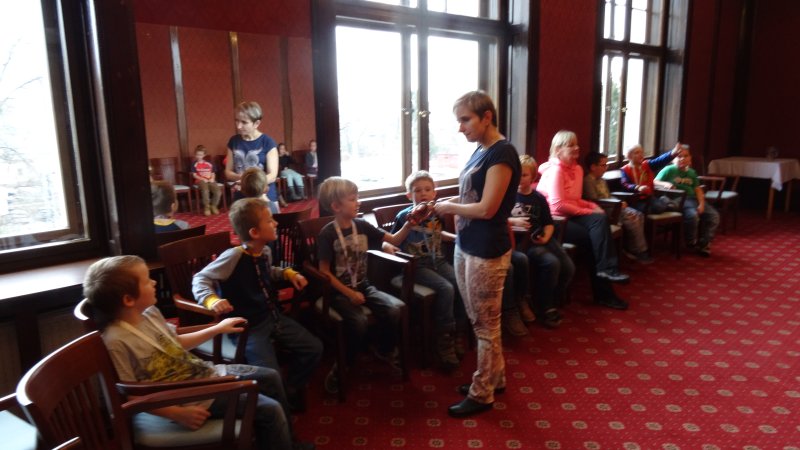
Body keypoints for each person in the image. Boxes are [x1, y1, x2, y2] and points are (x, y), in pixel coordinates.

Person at [83, 255, 315, 450]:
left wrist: (217, 328)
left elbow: (176, 343)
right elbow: (131, 396)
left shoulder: (150, 313)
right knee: (270, 410)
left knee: (271, 377)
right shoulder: (116, 340)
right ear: (128, 299)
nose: (154, 282)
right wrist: (176, 413)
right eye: (146, 280)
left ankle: (286, 442)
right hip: (189, 398)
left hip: (204, 375)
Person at [432, 91, 520, 418]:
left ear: (487, 117)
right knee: (480, 321)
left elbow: (487, 208)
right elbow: (472, 195)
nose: (460, 128)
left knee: (485, 325)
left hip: (487, 249)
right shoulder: (481, 149)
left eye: (465, 120)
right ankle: (496, 377)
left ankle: (482, 393)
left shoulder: (502, 152)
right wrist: (447, 204)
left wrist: (448, 208)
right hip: (467, 243)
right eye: (459, 121)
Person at [193, 197, 323, 413]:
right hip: (249, 328)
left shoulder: (265, 251)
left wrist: (287, 273)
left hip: (273, 318)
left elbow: (266, 272)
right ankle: (281, 412)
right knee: (270, 375)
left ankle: (289, 390)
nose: (276, 223)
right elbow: (200, 278)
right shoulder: (233, 256)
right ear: (254, 232)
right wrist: (211, 299)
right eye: (270, 221)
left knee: (314, 348)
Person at [316, 176, 415, 394]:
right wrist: (349, 293)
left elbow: (394, 240)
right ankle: (343, 365)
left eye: (357, 197)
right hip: (338, 292)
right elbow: (324, 272)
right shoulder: (328, 234)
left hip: (363, 285)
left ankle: (383, 350)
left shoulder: (361, 225)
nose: (358, 202)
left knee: (393, 310)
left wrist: (409, 224)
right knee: (358, 322)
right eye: (353, 199)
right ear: (336, 206)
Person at [536, 130, 629, 310]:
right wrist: (587, 211)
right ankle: (605, 286)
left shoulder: (577, 169)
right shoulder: (555, 171)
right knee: (595, 239)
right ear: (558, 150)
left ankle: (607, 271)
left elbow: (575, 199)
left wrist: (592, 206)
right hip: (554, 221)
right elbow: (557, 205)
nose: (577, 148)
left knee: (600, 220)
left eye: (576, 144)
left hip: (571, 215)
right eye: (571, 145)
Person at [390, 170, 460, 371]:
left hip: (438, 260)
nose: (423, 193)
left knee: (460, 283)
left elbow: (437, 233)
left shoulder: (436, 214)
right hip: (417, 265)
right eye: (418, 190)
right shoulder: (404, 216)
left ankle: (457, 330)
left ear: (434, 193)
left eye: (428, 189)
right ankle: (443, 337)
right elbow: (393, 240)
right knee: (446, 288)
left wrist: (456, 238)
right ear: (409, 195)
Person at [511, 154, 575, 329]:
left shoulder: (538, 197)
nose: (519, 178)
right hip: (523, 242)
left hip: (543, 237)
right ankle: (545, 306)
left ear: (532, 177)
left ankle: (549, 297)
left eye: (524, 175)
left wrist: (546, 236)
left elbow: (548, 223)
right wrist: (513, 221)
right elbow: (499, 219)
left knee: (568, 267)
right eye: (516, 174)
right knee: (551, 263)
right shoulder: (508, 196)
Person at [583, 151, 653, 264]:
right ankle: (640, 251)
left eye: (607, 165)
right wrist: (616, 204)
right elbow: (594, 201)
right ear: (593, 167)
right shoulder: (588, 181)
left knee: (639, 215)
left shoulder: (601, 180)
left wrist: (619, 201)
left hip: (613, 206)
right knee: (634, 218)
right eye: (603, 165)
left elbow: (608, 195)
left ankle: (631, 248)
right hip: (605, 211)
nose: (606, 168)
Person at [655, 145, 720, 257]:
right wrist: (665, 183)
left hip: (694, 199)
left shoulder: (692, 172)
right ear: (673, 158)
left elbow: (698, 190)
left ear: (690, 158)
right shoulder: (669, 169)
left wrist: (702, 204)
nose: (682, 159)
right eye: (679, 156)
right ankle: (691, 242)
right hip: (680, 199)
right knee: (692, 215)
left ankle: (704, 243)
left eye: (686, 156)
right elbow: (655, 181)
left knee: (714, 216)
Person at [225, 101, 281, 213]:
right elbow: (228, 172)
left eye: (244, 122)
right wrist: (241, 178)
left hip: (264, 195)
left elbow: (272, 176)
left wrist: (248, 182)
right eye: (237, 120)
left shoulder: (268, 142)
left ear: (256, 123)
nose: (238, 126)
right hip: (241, 196)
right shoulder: (233, 141)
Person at [620, 143, 683, 212]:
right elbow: (625, 184)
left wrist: (672, 153)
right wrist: (637, 187)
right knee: (650, 209)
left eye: (642, 152)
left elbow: (660, 160)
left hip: (649, 197)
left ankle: (664, 202)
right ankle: (665, 202)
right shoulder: (625, 169)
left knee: (659, 207)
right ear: (629, 156)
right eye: (637, 153)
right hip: (635, 200)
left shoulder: (647, 164)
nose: (641, 154)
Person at [191, 145, 222, 216]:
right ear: (195, 154)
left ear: (204, 155)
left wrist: (212, 178)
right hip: (200, 180)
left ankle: (213, 205)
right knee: (205, 190)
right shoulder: (194, 164)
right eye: (197, 155)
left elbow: (213, 173)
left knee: (218, 192)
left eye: (200, 155)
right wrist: (202, 179)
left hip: (210, 180)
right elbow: (194, 175)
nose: (199, 156)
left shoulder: (209, 163)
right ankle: (207, 207)